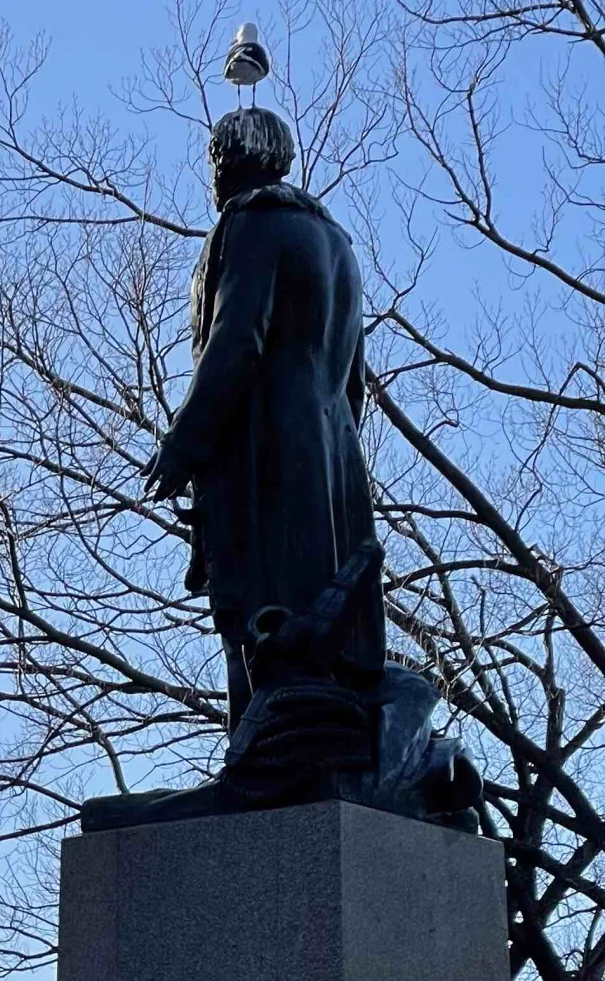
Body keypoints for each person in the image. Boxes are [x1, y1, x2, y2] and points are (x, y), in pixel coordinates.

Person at [145, 105, 382, 731]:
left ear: (228, 161)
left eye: (214, 165)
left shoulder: (250, 222)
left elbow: (236, 338)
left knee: (260, 620)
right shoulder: (338, 245)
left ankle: (256, 765)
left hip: (265, 456)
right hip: (333, 462)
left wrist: (185, 443)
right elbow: (355, 381)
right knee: (319, 629)